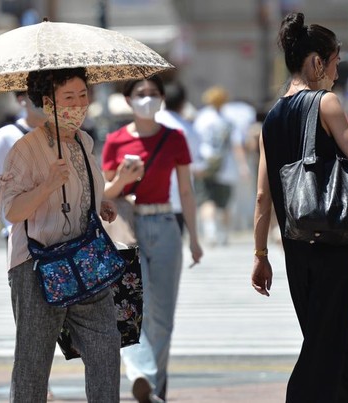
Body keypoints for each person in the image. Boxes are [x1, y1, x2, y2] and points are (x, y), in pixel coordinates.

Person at [251, 12, 348, 403]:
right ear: (316, 62)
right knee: (326, 342)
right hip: (332, 239)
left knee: (333, 333)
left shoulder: (271, 119)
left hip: (294, 243)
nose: (337, 72)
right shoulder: (326, 102)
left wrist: (259, 254)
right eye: (336, 61)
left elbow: (262, 196)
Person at [0, 67, 121, 402]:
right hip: (37, 266)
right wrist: (46, 185)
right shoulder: (25, 150)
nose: (78, 104)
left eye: (83, 96)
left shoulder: (85, 141)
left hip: (86, 260)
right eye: (68, 98)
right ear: (48, 102)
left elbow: (82, 192)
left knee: (106, 348)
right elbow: (12, 212)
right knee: (33, 361)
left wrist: (99, 202)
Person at [102, 75, 203, 403]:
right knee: (130, 310)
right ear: (128, 100)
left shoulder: (175, 138)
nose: (148, 99)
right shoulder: (115, 140)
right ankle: (142, 373)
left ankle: (153, 389)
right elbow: (104, 196)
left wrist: (195, 238)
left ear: (162, 98)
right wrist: (122, 178)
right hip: (127, 229)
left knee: (163, 314)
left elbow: (186, 191)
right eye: (140, 94)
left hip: (165, 224)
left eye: (153, 93)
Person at [0, 91, 47, 265]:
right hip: (19, 234)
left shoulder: (60, 134)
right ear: (21, 100)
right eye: (36, 95)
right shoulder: (7, 136)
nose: (43, 102)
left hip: (58, 232)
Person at [193, 85, 244, 246]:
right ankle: (224, 233)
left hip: (204, 165)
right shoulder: (229, 121)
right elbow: (237, 145)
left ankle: (210, 232)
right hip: (226, 168)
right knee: (224, 203)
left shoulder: (201, 118)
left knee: (206, 199)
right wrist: (242, 166)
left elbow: (195, 142)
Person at [155, 80, 203, 232]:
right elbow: (196, 165)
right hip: (178, 197)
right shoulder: (189, 130)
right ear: (183, 104)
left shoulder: (150, 123)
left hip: (150, 198)